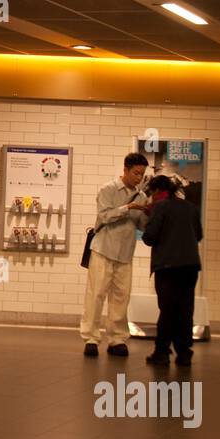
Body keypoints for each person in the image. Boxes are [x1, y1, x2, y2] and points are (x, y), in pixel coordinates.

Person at [80, 151, 150, 356]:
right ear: (125, 170)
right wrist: (127, 208)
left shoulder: (143, 196)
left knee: (121, 297)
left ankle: (117, 339)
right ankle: (91, 338)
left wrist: (148, 213)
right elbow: (104, 216)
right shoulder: (108, 189)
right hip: (103, 250)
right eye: (136, 173)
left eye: (142, 174)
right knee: (96, 294)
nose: (138, 178)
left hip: (126, 253)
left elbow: (142, 226)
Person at [140, 174, 203, 366]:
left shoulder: (160, 207)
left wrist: (148, 218)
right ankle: (184, 353)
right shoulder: (191, 207)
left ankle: (162, 352)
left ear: (157, 191)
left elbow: (149, 237)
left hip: (167, 266)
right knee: (185, 309)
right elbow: (199, 235)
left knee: (167, 309)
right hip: (190, 266)